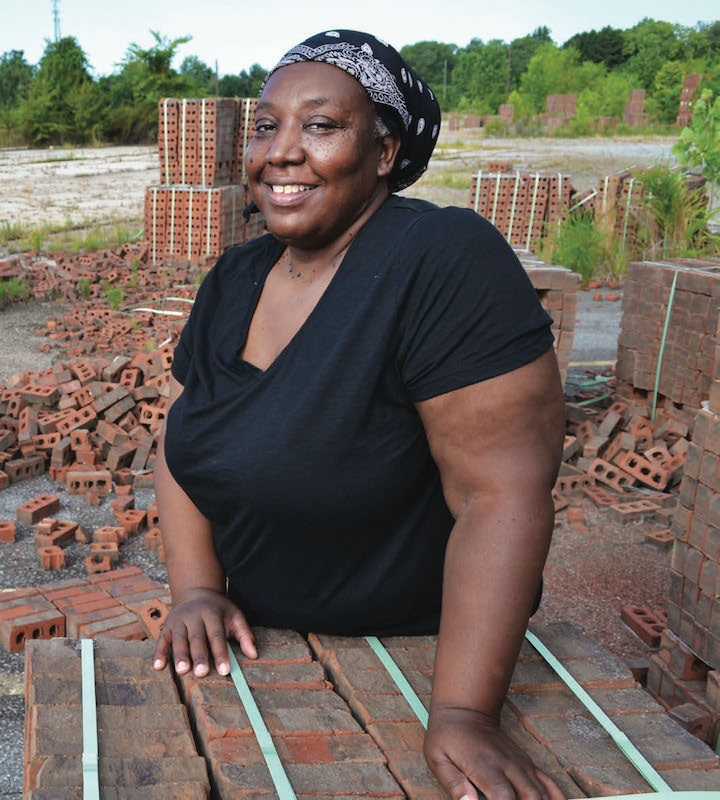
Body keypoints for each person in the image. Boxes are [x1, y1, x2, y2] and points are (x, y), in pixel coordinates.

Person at [153, 29, 566, 800]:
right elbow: (179, 438)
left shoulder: (440, 260)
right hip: (258, 638)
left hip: (408, 641)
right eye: (268, 125)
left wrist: (464, 711)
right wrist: (197, 591)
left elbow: (500, 493)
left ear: (383, 152)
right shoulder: (237, 273)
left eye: (321, 125)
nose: (282, 151)